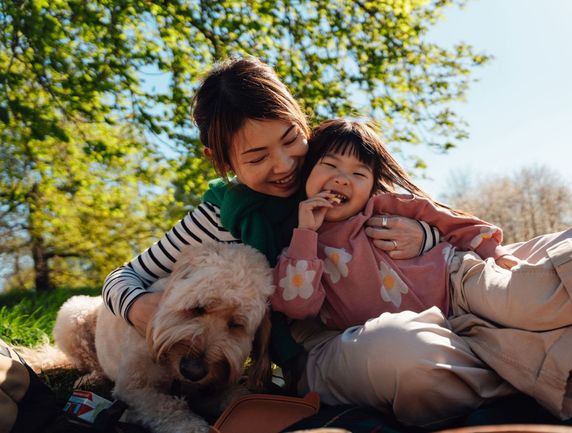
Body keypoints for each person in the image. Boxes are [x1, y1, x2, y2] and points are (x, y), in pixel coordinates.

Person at [266, 119, 572, 425]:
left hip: (457, 279)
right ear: (308, 173)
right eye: (329, 166)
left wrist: (486, 248)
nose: (342, 180)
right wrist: (306, 233)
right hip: (441, 328)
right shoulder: (300, 242)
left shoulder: (389, 206)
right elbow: (297, 304)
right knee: (543, 328)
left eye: (358, 173)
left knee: (524, 288)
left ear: (373, 182)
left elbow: (452, 220)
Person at [100, 57, 437, 386]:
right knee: (408, 357)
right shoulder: (220, 218)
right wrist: (137, 306)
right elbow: (123, 276)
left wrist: (424, 235)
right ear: (221, 160)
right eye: (257, 157)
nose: (285, 164)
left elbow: (427, 213)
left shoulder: (333, 171)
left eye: (291, 139)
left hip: (406, 309)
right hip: (318, 350)